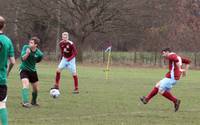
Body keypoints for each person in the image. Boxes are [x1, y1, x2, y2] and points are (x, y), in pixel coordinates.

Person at [140, 48, 191, 112]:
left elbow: (176, 60)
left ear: (167, 52)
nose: (163, 55)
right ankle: (146, 99)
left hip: (173, 77)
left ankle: (176, 101)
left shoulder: (171, 55)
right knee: (158, 85)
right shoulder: (177, 56)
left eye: (163, 53)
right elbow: (188, 61)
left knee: (161, 90)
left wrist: (180, 69)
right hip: (171, 76)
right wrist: (185, 71)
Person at [19, 36, 43, 108]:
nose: (29, 44)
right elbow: (22, 59)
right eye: (29, 42)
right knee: (26, 84)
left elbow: (38, 60)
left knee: (35, 89)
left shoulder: (39, 54)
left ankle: (33, 101)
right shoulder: (26, 47)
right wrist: (27, 53)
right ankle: (25, 102)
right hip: (24, 69)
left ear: (36, 45)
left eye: (31, 43)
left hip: (33, 71)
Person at [0, 16, 15, 125]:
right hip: (1, 78)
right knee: (2, 104)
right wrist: (7, 72)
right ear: (4, 26)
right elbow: (13, 61)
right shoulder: (7, 41)